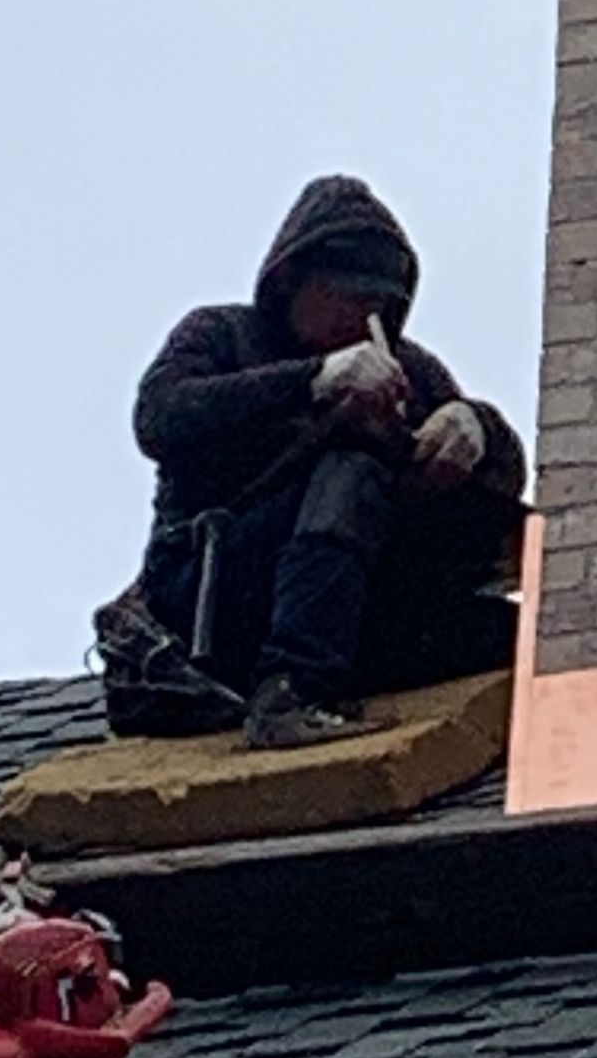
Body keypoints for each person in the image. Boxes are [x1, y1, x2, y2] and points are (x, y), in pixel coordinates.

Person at [101, 177, 527, 749]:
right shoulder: (222, 334)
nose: (365, 312)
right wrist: (314, 381)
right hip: (220, 603)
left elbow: (502, 474)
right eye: (347, 294)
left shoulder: (410, 368)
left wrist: (477, 427)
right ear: (293, 283)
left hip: (363, 607)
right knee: (350, 469)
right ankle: (291, 692)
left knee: (526, 635)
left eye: (379, 301)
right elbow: (161, 417)